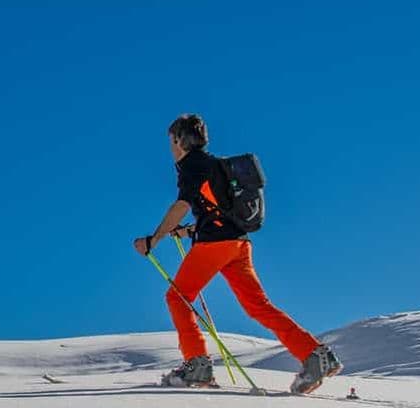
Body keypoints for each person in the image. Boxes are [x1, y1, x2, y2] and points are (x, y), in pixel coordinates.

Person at [133, 114, 342, 393]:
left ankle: (196, 364)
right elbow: (217, 210)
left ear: (179, 140)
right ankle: (314, 355)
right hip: (239, 245)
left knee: (178, 296)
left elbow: (182, 204)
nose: (170, 147)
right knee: (258, 306)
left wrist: (154, 239)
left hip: (215, 245)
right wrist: (188, 231)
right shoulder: (216, 165)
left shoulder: (191, 164)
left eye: (171, 141)